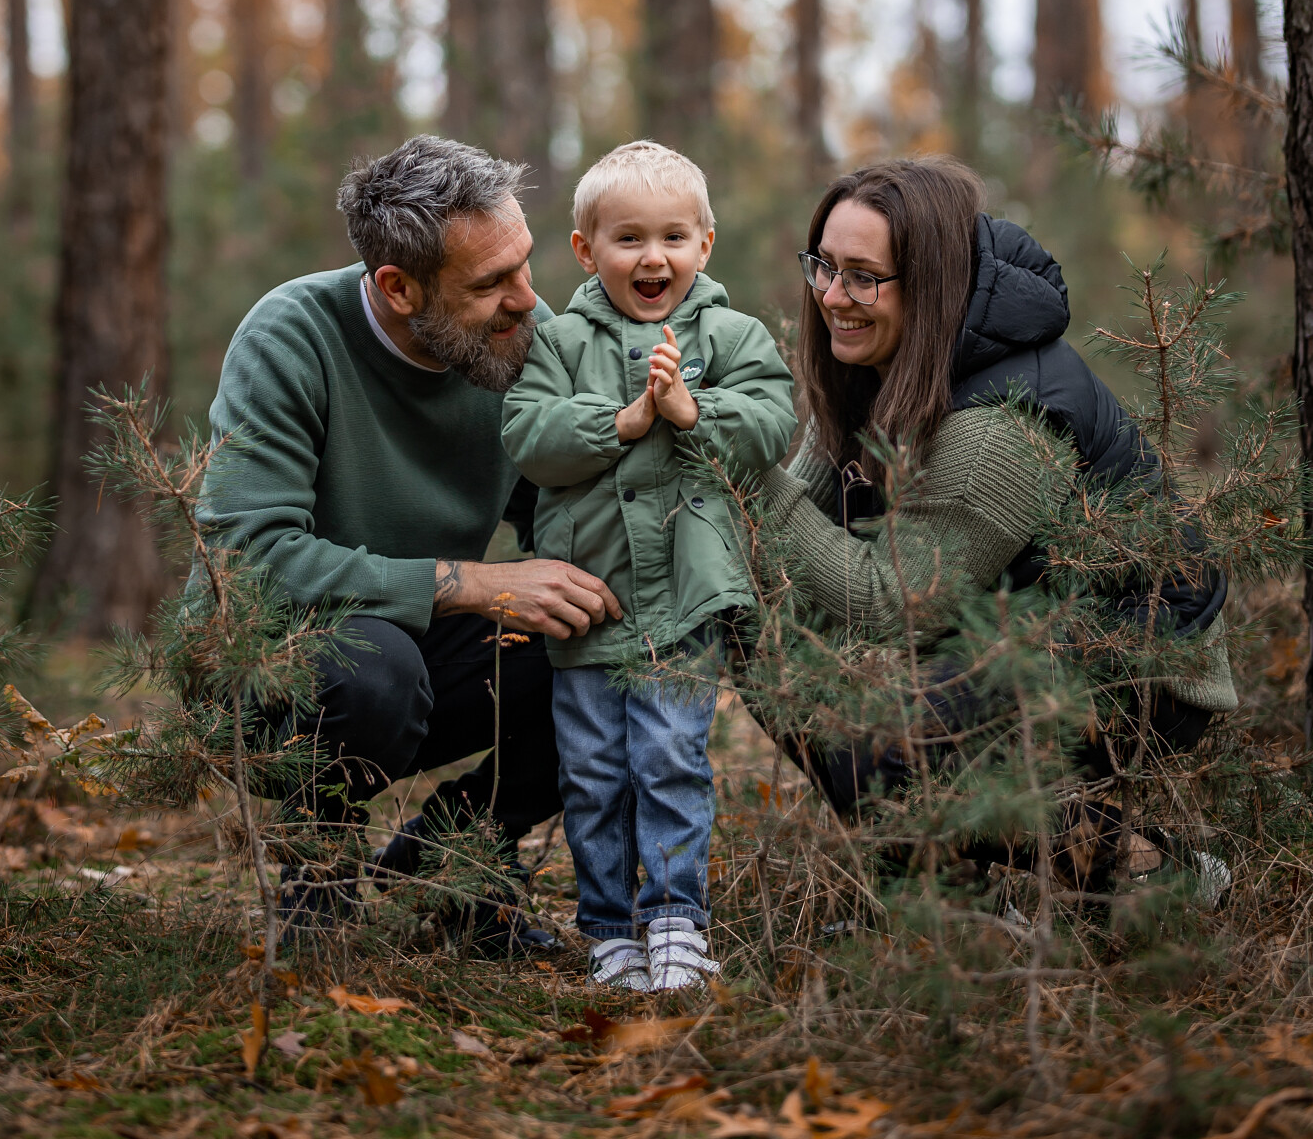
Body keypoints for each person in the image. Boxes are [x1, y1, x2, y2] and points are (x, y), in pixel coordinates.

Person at [189, 134, 623, 950]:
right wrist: (465, 583)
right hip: (270, 653)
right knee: (372, 668)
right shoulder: (292, 337)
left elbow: (563, 518)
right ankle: (318, 887)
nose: (528, 299)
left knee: (604, 635)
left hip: (427, 641)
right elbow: (246, 557)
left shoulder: (525, 341)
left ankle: (454, 871)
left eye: (525, 264)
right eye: (491, 282)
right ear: (397, 287)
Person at [759, 156, 1235, 844]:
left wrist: (738, 466)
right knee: (749, 632)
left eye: (862, 277)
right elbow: (797, 513)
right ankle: (941, 868)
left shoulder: (996, 426)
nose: (831, 296)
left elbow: (891, 606)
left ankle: (1137, 867)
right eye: (823, 266)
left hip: (1134, 664)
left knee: (882, 755)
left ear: (930, 283)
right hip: (1005, 623)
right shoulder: (877, 359)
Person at [502, 141, 796, 992]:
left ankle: (674, 920)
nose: (652, 257)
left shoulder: (732, 335)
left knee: (669, 759)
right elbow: (527, 438)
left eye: (673, 237)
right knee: (592, 772)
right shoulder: (556, 343)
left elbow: (770, 423)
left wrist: (689, 410)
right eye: (627, 239)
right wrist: (623, 422)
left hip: (683, 604)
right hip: (589, 603)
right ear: (585, 251)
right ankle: (606, 929)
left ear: (705, 244)